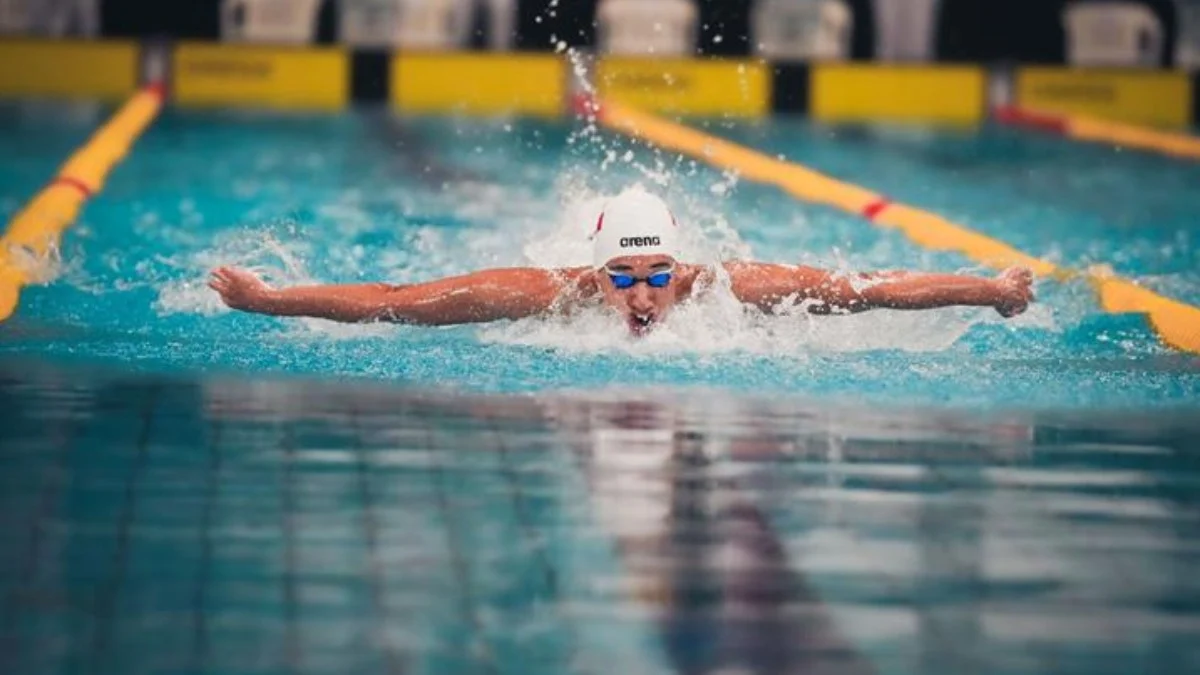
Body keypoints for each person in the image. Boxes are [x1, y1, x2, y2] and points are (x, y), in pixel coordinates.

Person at [209, 188, 1034, 336]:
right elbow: (395, 297)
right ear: (596, 273)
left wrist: (989, 291)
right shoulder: (537, 296)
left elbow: (872, 291)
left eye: (656, 278)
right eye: (625, 279)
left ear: (681, 270)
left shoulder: (736, 291)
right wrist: (268, 299)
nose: (644, 297)